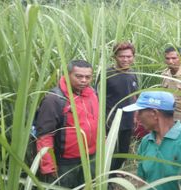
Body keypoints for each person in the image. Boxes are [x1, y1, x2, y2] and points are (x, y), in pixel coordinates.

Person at [35, 60, 99, 188]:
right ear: (67, 74)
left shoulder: (92, 94)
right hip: (65, 162)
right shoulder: (54, 99)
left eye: (88, 77)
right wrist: (48, 165)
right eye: (79, 76)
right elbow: (44, 135)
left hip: (91, 157)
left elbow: (96, 122)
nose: (84, 80)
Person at [97, 42, 138, 175]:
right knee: (109, 153)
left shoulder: (133, 73)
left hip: (127, 122)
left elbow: (134, 95)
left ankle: (113, 174)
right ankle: (106, 179)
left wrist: (136, 115)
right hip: (110, 122)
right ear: (115, 57)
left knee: (122, 153)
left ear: (133, 57)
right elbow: (97, 99)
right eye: (122, 56)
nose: (126, 59)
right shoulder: (106, 74)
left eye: (129, 56)